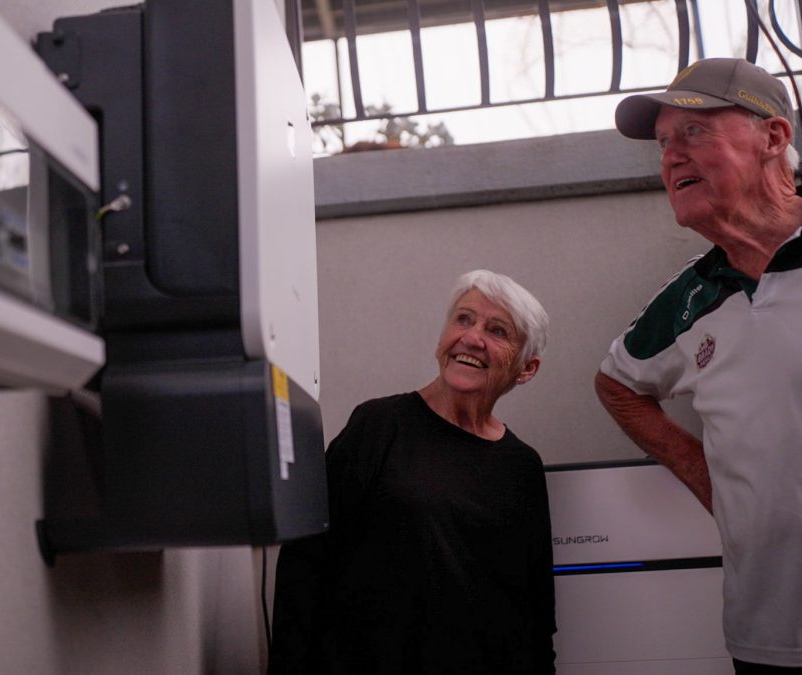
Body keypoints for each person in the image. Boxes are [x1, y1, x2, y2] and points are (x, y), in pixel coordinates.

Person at [597, 57, 802, 673]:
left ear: (773, 137)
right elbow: (617, 386)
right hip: (766, 635)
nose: (671, 157)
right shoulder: (689, 299)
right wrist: (706, 476)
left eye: (694, 132)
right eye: (662, 144)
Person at [269, 269, 555, 674]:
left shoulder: (522, 467)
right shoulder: (378, 426)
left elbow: (534, 618)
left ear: (526, 368)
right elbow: (304, 565)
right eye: (463, 318)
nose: (472, 338)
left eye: (497, 330)